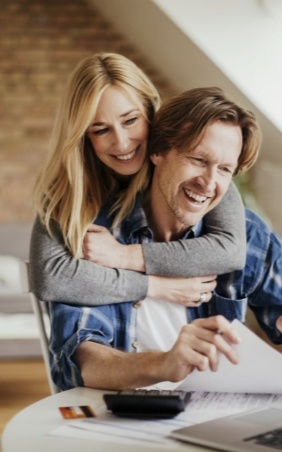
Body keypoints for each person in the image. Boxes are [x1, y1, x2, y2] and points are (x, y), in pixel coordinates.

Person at [47, 87, 282, 391]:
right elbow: (84, 361)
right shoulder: (97, 239)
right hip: (121, 417)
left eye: (225, 169)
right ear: (157, 151)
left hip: (215, 417)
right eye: (198, 159)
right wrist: (164, 363)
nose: (209, 183)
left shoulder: (249, 235)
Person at [30, 53, 250, 308]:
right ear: (83, 136)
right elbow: (50, 278)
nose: (122, 143)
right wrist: (156, 286)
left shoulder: (189, 164)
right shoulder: (68, 188)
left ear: (150, 111)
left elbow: (230, 250)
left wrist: (123, 256)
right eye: (101, 130)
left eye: (131, 120)